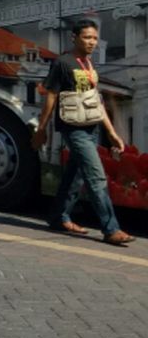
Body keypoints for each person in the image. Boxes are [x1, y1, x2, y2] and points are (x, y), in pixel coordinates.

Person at [32, 19, 135, 246]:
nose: (92, 42)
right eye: (87, 37)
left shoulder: (89, 64)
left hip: (91, 127)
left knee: (75, 175)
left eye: (95, 38)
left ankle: (58, 216)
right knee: (96, 176)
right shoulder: (63, 62)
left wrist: (111, 132)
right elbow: (51, 96)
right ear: (74, 37)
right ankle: (111, 229)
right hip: (74, 128)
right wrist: (42, 129)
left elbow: (95, 101)